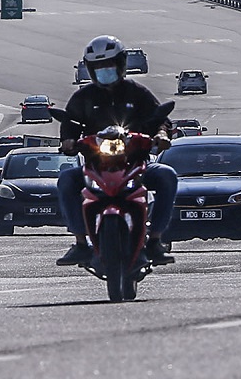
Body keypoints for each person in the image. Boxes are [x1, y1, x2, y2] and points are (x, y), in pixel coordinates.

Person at [55, 35, 178, 267]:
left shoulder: (138, 93)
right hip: (95, 167)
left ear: (121, 65)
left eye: (109, 65)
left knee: (167, 176)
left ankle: (156, 239)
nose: (104, 71)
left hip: (136, 165)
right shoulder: (83, 98)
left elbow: (159, 119)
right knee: (66, 180)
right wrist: (68, 142)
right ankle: (81, 242)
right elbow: (70, 124)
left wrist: (161, 135)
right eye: (99, 67)